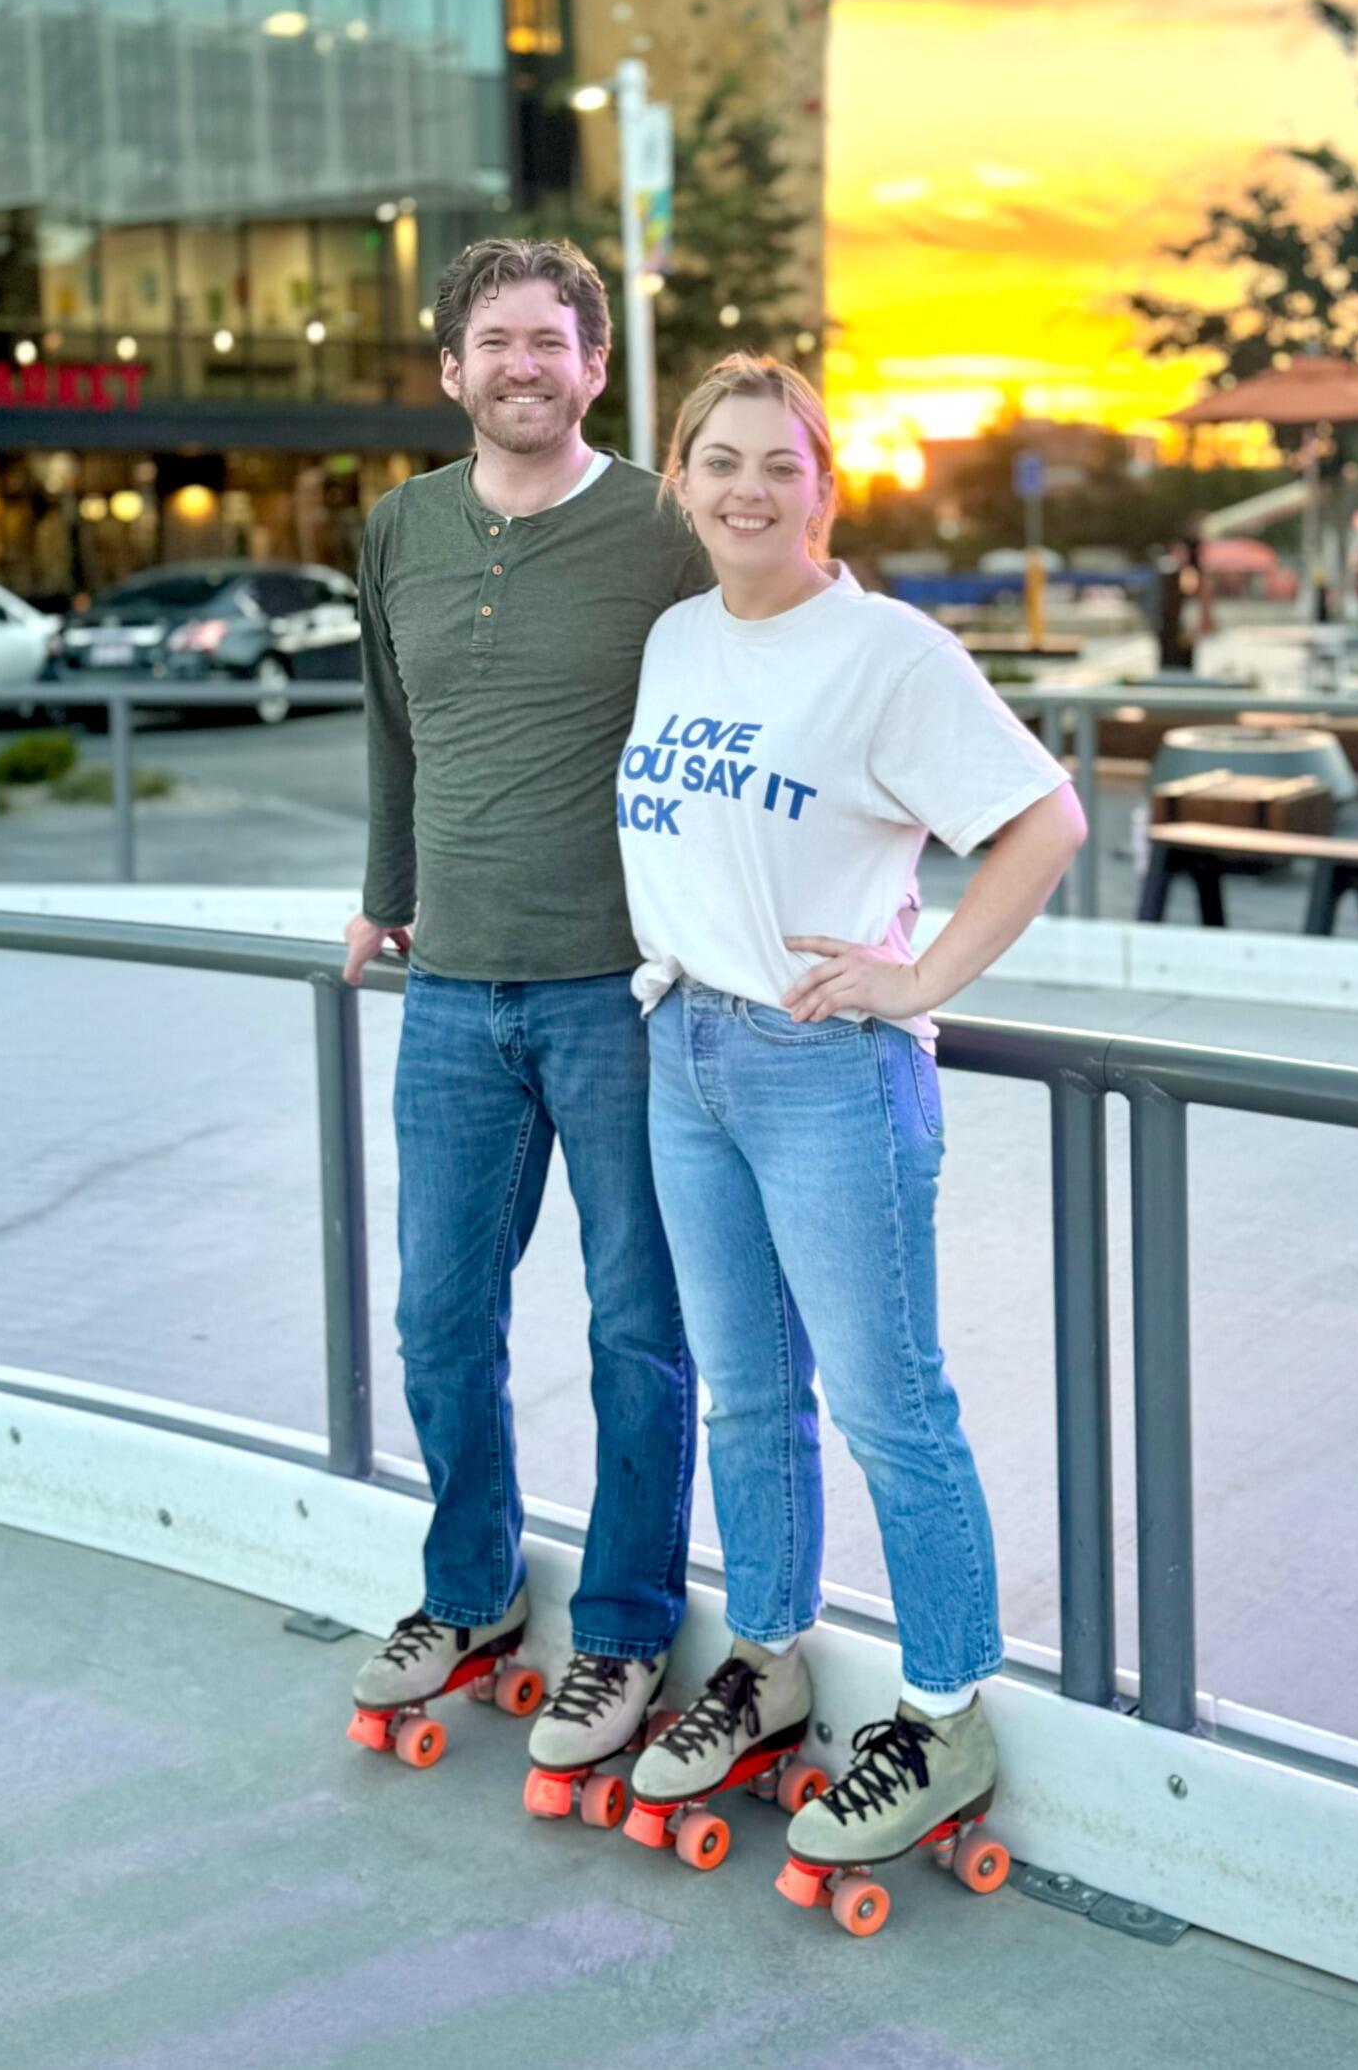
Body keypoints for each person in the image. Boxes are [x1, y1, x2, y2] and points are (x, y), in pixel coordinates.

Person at [618, 355, 1086, 1885]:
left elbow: (1042, 819)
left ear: (825, 485)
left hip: (823, 1068)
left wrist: (919, 976)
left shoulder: (885, 653)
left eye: (780, 463)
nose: (747, 489)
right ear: (681, 480)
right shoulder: (678, 636)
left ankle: (942, 1716)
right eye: (719, 461)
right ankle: (766, 1660)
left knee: (890, 1407)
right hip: (683, 1047)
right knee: (745, 1397)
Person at [342, 236, 707, 1780]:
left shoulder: (665, 529)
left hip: (618, 993)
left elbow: (753, 703)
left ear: (592, 365)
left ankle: (621, 1628)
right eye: (492, 342)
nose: (520, 366)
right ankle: (472, 1592)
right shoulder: (397, 528)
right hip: (448, 992)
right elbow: (392, 727)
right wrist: (384, 889)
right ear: (450, 370)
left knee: (637, 1327)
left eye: (548, 341)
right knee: (437, 1319)